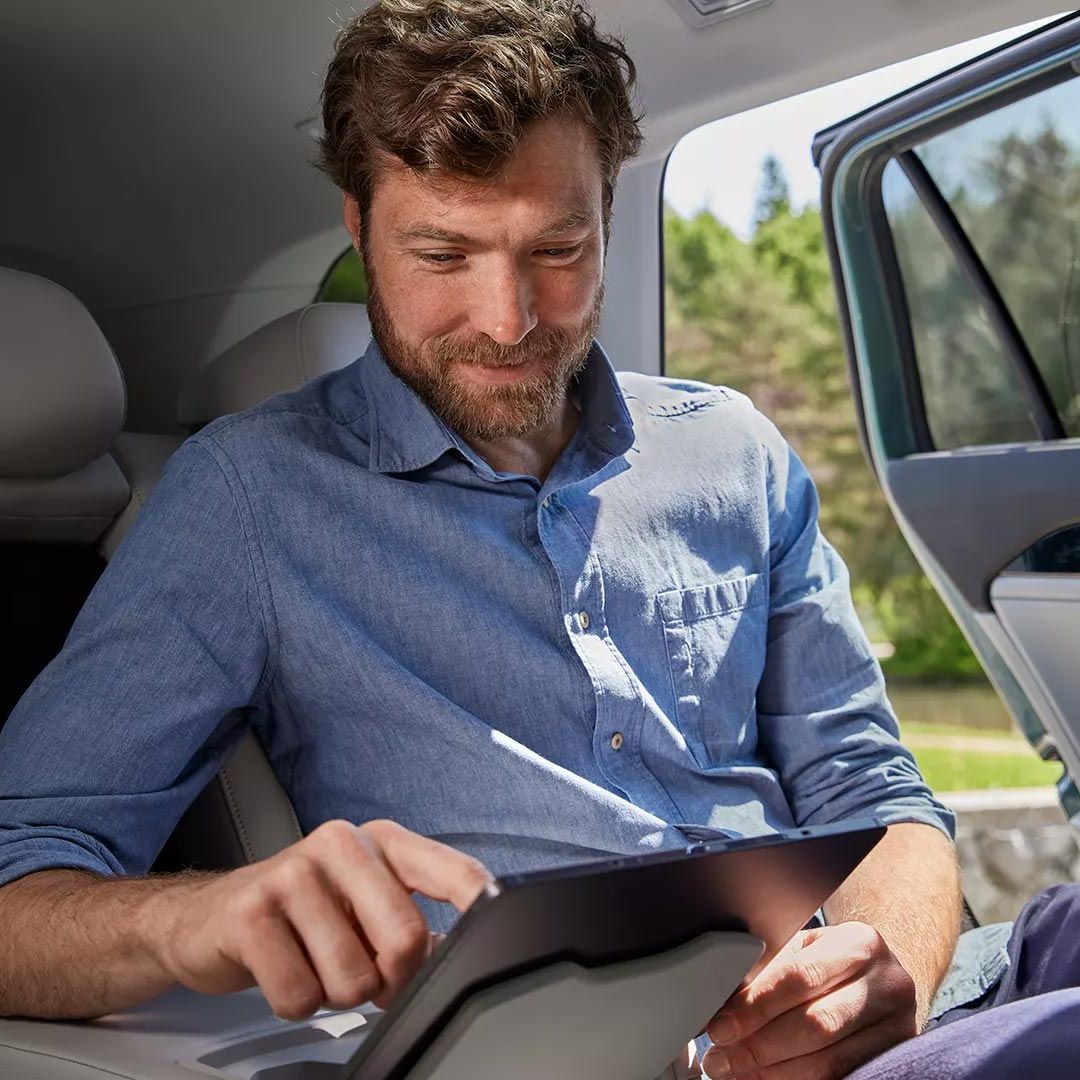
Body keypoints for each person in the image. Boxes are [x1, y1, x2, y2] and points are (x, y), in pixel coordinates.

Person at [0, 2, 1076, 1078]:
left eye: (557, 248)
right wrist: (196, 918)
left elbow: (877, 795)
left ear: (607, 215)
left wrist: (886, 966)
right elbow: (14, 890)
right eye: (442, 253)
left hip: (907, 1011)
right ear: (357, 225)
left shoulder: (732, 449)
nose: (508, 320)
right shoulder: (247, 497)